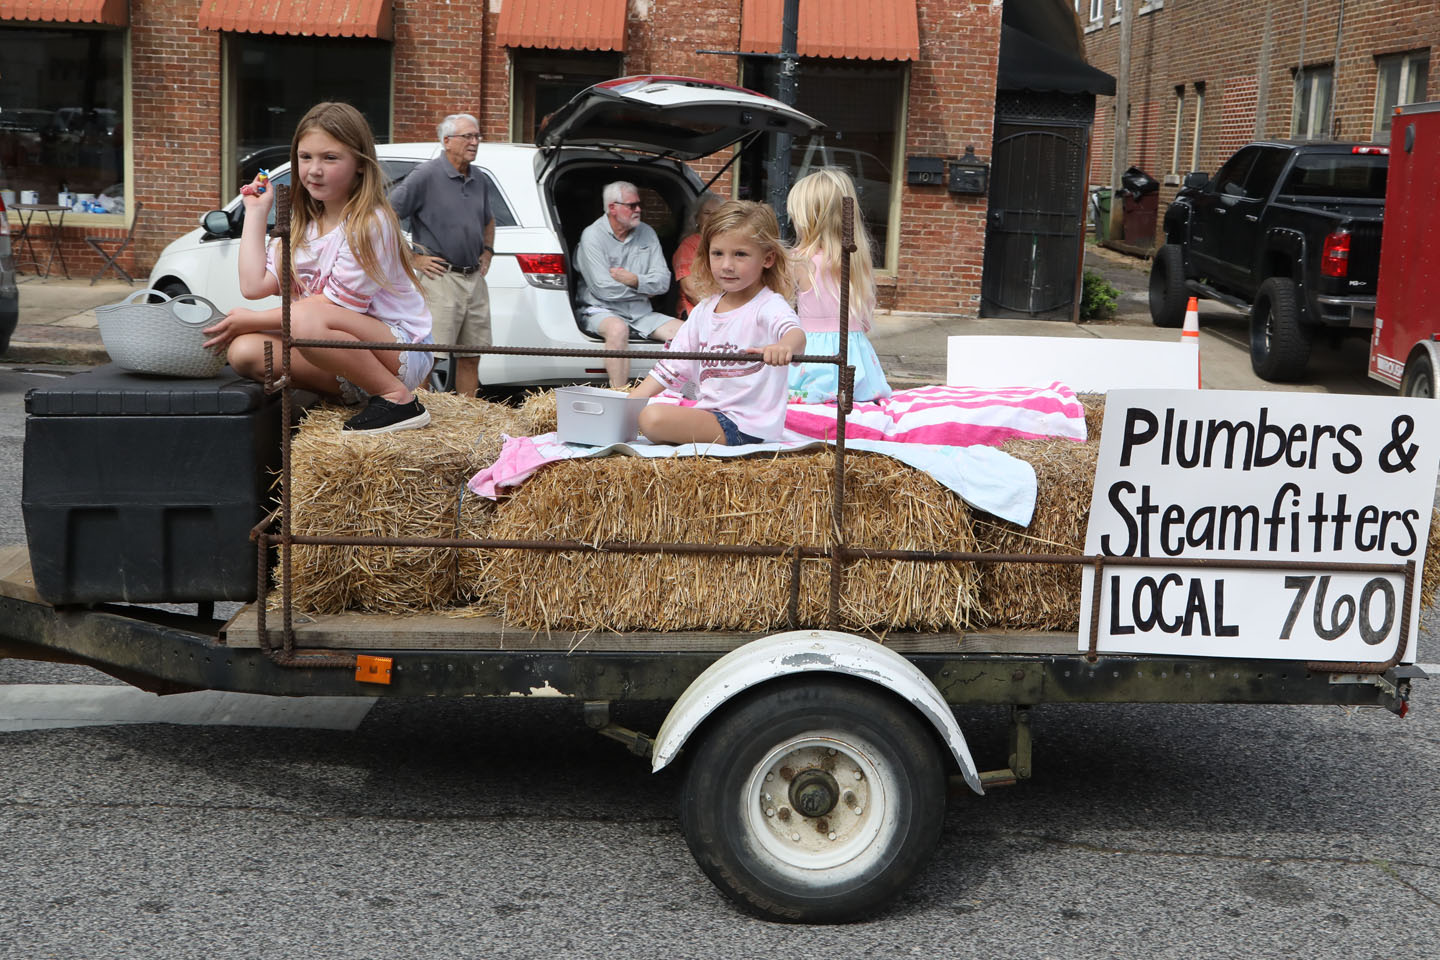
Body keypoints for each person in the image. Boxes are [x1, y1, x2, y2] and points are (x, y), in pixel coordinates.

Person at [203, 101, 434, 433]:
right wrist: (256, 211)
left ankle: (397, 399)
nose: (314, 170)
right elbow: (253, 286)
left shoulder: (370, 222)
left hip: (397, 350)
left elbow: (339, 305)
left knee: (305, 321)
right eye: (305, 157)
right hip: (336, 348)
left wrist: (251, 319)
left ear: (360, 164)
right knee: (245, 352)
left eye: (330, 158)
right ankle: (348, 395)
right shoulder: (303, 226)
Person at [631, 200, 804, 446]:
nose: (727, 265)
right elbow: (673, 364)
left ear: (767, 259)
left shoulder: (768, 305)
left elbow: (795, 333)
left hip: (747, 425)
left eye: (740, 254)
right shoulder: (704, 310)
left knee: (652, 418)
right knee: (646, 411)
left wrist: (784, 347)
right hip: (712, 415)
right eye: (718, 253)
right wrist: (630, 401)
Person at [388, 112, 494, 398]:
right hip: (440, 278)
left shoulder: (480, 178)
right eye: (468, 136)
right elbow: (386, 215)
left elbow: (489, 219)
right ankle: (419, 411)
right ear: (447, 141)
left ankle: (469, 418)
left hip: (474, 279)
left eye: (477, 136)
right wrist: (412, 258)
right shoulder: (425, 175)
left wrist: (488, 251)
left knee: (471, 356)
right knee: (431, 356)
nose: (475, 142)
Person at [785, 167, 892, 404]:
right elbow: (865, 320)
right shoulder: (856, 259)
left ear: (807, 218)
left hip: (812, 355)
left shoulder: (798, 260)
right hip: (855, 356)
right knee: (849, 406)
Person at [575, 180, 680, 389]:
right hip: (601, 311)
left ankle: (679, 393)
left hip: (641, 314)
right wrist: (645, 289)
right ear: (612, 208)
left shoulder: (647, 232)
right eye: (632, 205)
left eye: (639, 205)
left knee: (687, 333)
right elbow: (602, 289)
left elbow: (663, 282)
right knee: (617, 329)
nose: (638, 209)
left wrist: (634, 280)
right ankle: (620, 394)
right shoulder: (592, 235)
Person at [672, 190, 723, 319]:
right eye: (707, 213)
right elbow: (690, 290)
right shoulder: (688, 246)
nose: (712, 218)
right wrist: (720, 312)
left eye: (717, 214)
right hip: (698, 312)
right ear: (696, 218)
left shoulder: (729, 244)